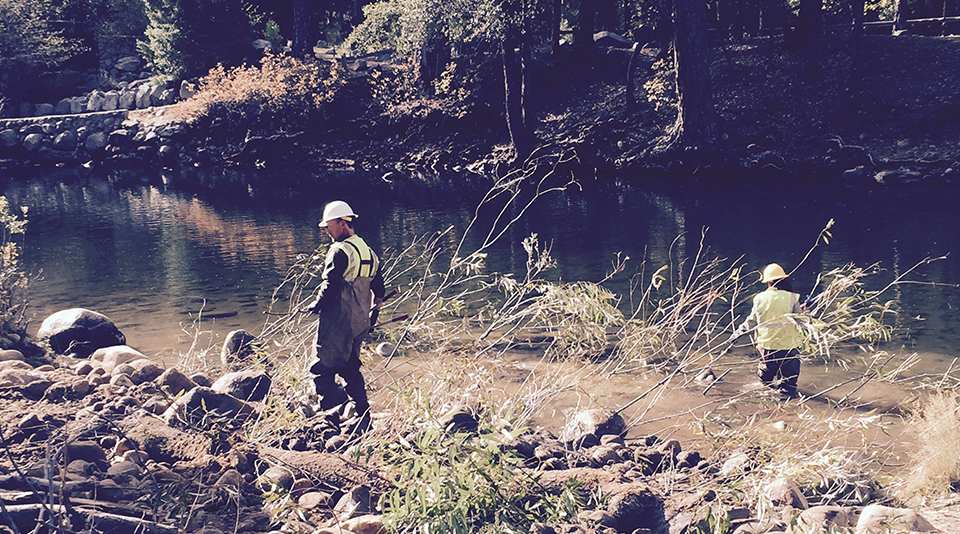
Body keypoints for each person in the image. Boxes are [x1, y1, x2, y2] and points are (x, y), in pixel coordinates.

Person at [305, 200, 385, 427]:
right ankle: (363, 416)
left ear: (343, 223)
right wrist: (372, 316)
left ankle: (328, 421)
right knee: (351, 368)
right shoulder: (368, 250)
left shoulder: (339, 250)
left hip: (338, 321)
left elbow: (330, 285)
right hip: (360, 321)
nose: (327, 231)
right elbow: (379, 289)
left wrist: (316, 305)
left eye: (329, 226)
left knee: (322, 369)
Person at [732, 263, 805, 398]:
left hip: (766, 348)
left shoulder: (759, 298)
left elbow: (751, 321)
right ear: (783, 279)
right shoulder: (793, 298)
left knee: (765, 384)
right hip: (789, 348)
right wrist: (806, 312)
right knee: (788, 388)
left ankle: (767, 410)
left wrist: (737, 333)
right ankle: (788, 410)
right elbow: (802, 322)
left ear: (768, 282)